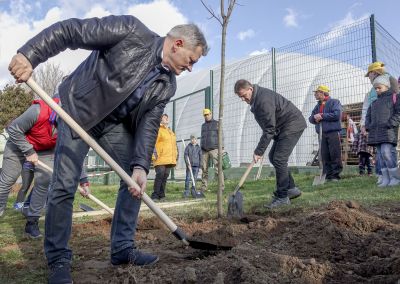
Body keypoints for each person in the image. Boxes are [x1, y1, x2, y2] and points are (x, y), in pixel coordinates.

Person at [9, 15, 208, 283]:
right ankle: (58, 259)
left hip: (113, 125)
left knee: (133, 181)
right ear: (178, 44)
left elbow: (149, 124)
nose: (191, 68)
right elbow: (72, 31)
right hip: (78, 112)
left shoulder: (167, 84)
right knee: (65, 184)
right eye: (191, 60)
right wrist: (29, 55)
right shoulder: (130, 31)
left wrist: (140, 166)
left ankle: (122, 248)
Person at [0, 97, 90, 239]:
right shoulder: (38, 111)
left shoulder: (73, 126)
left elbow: (75, 153)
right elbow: (14, 129)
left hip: (45, 150)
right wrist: (29, 151)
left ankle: (32, 223)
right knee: (8, 180)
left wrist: (83, 180)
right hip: (18, 144)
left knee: (45, 180)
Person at [234, 79, 306, 208]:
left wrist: (259, 151)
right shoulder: (257, 98)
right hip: (284, 127)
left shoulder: (263, 101)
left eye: (244, 96)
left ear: (250, 89)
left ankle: (282, 197)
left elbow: (269, 129)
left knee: (279, 159)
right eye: (241, 97)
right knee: (274, 157)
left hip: (292, 125)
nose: (243, 99)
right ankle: (291, 189)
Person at [360, 62, 399, 184]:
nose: (369, 78)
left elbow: (396, 104)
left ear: (374, 72)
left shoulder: (390, 81)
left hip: (388, 125)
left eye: (369, 74)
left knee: (388, 152)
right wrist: (366, 125)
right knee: (380, 153)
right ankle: (382, 176)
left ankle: (394, 177)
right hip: (376, 127)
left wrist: (391, 122)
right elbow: (368, 109)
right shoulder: (373, 93)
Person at [309, 85, 343, 182]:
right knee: (324, 154)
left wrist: (322, 116)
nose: (315, 94)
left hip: (332, 132)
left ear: (323, 93)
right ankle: (327, 175)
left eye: (317, 92)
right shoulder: (317, 105)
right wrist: (314, 118)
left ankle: (335, 175)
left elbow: (337, 115)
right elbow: (311, 118)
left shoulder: (334, 102)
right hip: (322, 133)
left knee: (334, 153)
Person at [151, 114, 178, 201]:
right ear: (160, 119)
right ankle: (155, 195)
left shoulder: (170, 132)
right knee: (160, 175)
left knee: (165, 176)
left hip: (169, 158)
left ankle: (162, 195)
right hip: (160, 157)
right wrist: (153, 154)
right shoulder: (158, 130)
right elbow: (153, 142)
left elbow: (174, 145)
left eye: (167, 117)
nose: (166, 118)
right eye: (163, 117)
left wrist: (176, 155)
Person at [200, 108, 224, 192]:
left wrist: (222, 148)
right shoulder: (203, 125)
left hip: (214, 149)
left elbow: (221, 135)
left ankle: (221, 187)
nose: (206, 116)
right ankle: (204, 187)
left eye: (208, 114)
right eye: (205, 115)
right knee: (204, 169)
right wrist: (201, 147)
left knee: (218, 168)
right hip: (204, 150)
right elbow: (202, 137)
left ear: (211, 114)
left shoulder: (217, 123)